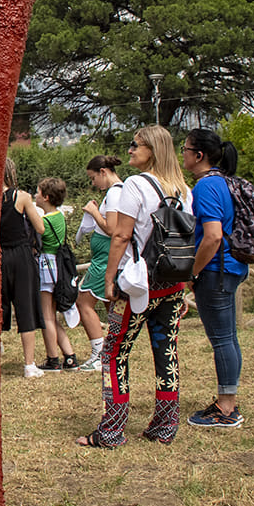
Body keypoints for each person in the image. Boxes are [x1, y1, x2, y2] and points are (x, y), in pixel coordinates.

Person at [78, 125, 191, 448]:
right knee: (166, 352)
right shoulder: (182, 189)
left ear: (151, 150)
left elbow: (121, 235)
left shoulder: (136, 186)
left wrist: (110, 278)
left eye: (135, 145)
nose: (129, 150)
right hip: (170, 283)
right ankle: (165, 425)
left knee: (114, 353)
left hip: (137, 284)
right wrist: (185, 285)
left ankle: (112, 429)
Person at [183, 128, 248, 429]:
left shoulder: (205, 187)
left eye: (185, 149)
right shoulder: (224, 182)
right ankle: (228, 399)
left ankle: (226, 408)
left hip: (215, 271)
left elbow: (212, 236)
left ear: (199, 156)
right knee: (229, 337)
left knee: (221, 340)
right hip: (231, 267)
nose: (182, 154)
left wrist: (192, 272)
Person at [0, 158, 47, 378]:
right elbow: (40, 228)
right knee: (25, 306)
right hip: (21, 254)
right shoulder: (22, 197)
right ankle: (29, 364)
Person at [73, 155, 121, 373]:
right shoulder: (115, 193)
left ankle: (99, 353)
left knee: (84, 302)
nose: (93, 184)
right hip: (105, 255)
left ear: (103, 172)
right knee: (112, 306)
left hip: (105, 258)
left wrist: (93, 212)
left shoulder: (115, 193)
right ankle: (113, 352)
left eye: (93, 178)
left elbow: (112, 228)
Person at [34, 178, 76, 370]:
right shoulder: (59, 217)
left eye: (37, 192)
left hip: (46, 266)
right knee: (52, 315)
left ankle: (53, 357)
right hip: (58, 266)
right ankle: (69, 355)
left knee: (47, 316)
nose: (35, 195)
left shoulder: (43, 221)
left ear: (46, 197)